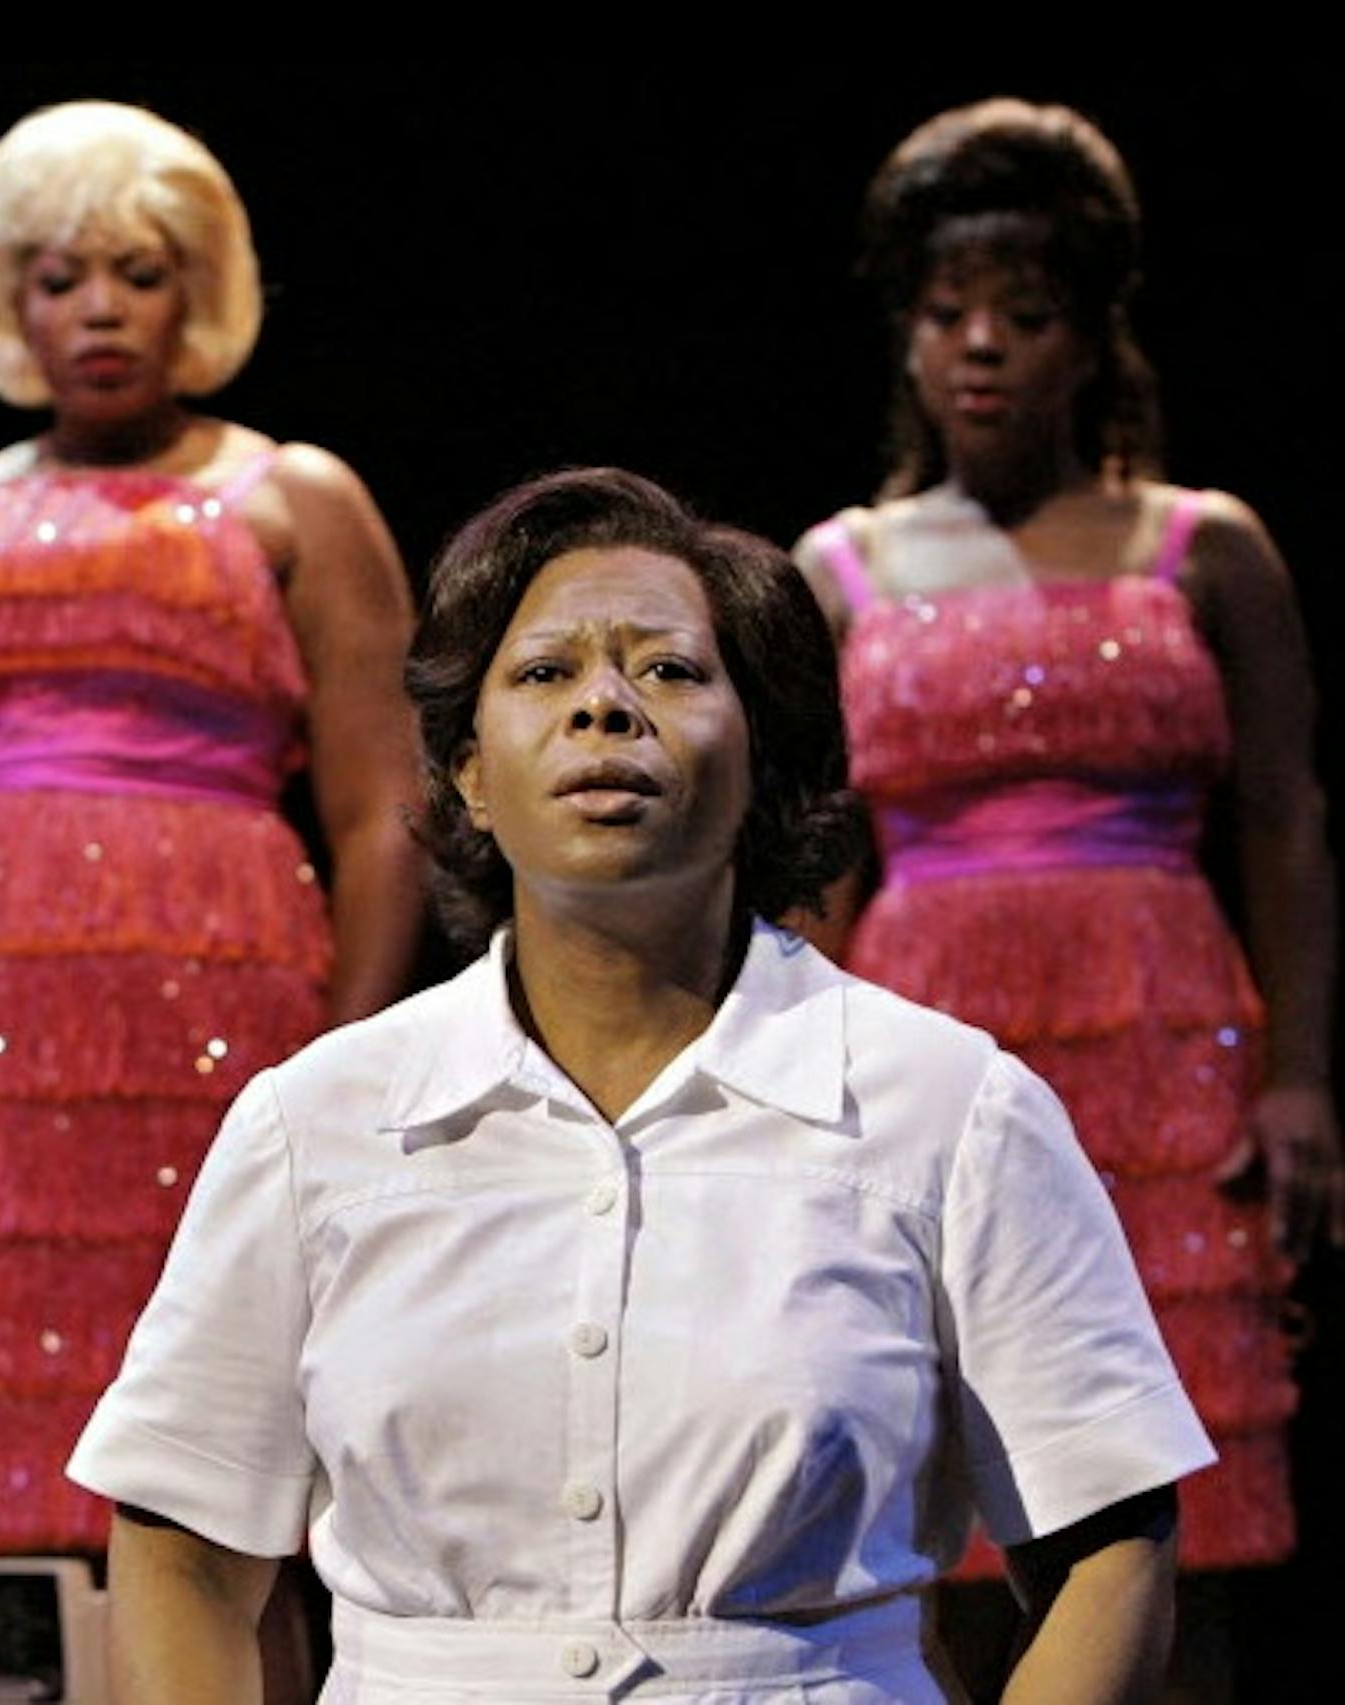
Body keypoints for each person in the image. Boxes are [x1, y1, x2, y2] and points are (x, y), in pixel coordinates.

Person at [69, 466, 1214, 1702]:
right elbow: (182, 1545)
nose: (604, 707)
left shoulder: (948, 1107)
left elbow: (1106, 1543)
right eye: (544, 673)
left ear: (761, 751)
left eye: (667, 671)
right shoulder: (318, 1120)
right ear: (464, 768)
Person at [793, 98, 1342, 1692]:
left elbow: (1289, 824)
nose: (982, 349)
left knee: (1177, 1492)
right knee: (945, 1480)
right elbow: (813, 864)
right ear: (902, 336)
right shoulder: (843, 567)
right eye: (946, 314)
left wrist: (1301, 1074)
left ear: (1092, 338)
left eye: (1024, 318)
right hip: (928, 1031)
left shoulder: (1203, 548)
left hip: (1167, 1047)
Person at [0, 99, 424, 1569]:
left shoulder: (291, 496)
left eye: (137, 273)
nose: (99, 311)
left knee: (213, 1443)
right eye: (61, 274)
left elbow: (384, 808)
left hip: (209, 1013)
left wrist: (346, 1064)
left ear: (196, 289)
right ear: (7, 295)